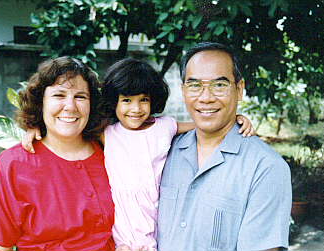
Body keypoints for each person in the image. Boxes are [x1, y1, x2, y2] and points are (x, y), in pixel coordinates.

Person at [22, 58, 255, 251]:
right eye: (126, 101)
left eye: (143, 100)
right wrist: (36, 127)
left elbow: (202, 124)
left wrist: (234, 120)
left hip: (158, 222)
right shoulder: (107, 132)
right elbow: (69, 129)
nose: (136, 109)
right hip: (122, 228)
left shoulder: (165, 126)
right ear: (114, 102)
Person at [0, 56, 115, 251]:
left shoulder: (113, 153)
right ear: (41, 102)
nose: (70, 106)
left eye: (80, 96)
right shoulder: (14, 164)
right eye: (59, 95)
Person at [157, 42, 292, 251]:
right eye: (194, 85)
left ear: (239, 89)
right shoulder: (164, 151)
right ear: (183, 91)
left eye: (219, 85)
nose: (206, 97)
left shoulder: (266, 168)